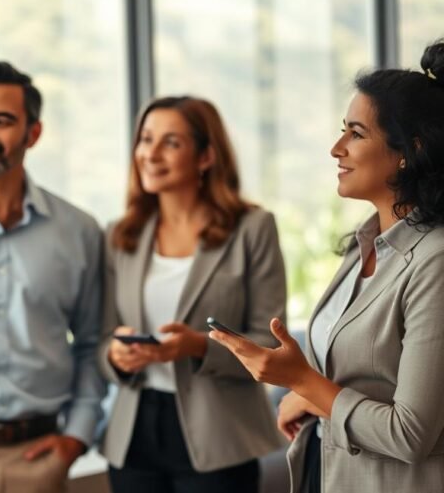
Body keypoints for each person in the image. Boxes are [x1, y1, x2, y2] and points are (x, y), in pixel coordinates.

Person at [211, 42, 444, 493]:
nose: (337, 148)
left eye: (356, 134)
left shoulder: (435, 260)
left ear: (410, 150)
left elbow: (410, 433)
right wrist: (308, 394)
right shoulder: (363, 245)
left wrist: (304, 383)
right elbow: (353, 380)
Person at [99, 96, 286, 493]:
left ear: (205, 157)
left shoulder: (252, 228)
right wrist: (115, 355)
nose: (150, 154)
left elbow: (270, 344)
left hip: (219, 435)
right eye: (145, 140)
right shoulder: (121, 234)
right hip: (135, 434)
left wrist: (198, 346)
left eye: (171, 143)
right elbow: (99, 340)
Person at [0, 60, 105, 493]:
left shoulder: (79, 232)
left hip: (39, 459)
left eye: (2, 121)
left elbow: (92, 342)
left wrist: (77, 437)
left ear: (33, 133)